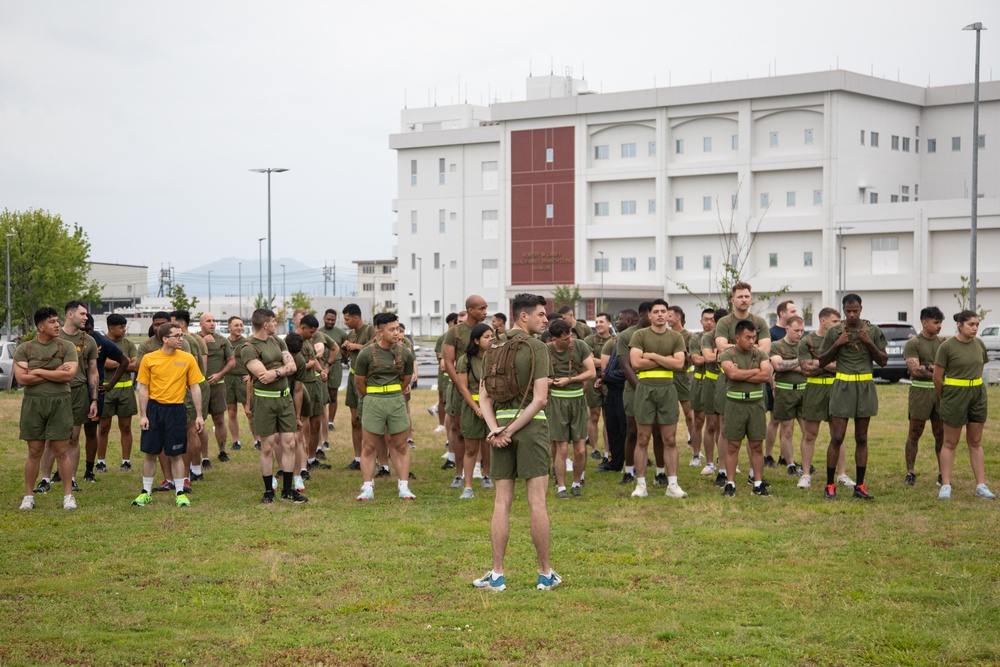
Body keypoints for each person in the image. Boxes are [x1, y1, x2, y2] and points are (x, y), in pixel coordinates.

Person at [474, 293, 559, 592]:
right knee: (537, 502)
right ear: (523, 316)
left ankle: (497, 574)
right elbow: (539, 400)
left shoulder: (492, 346)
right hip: (530, 428)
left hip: (499, 428)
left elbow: (483, 396)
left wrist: (496, 428)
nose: (546, 319)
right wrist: (510, 429)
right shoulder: (537, 348)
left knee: (501, 502)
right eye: (540, 314)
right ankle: (545, 574)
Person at [817, 294, 887, 500]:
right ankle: (830, 485)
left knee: (861, 438)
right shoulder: (834, 331)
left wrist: (869, 343)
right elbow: (821, 361)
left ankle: (860, 485)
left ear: (861, 309)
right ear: (844, 309)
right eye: (848, 311)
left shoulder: (872, 331)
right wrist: (837, 344)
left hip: (864, 386)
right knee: (837, 437)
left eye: (855, 311)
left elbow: (883, 361)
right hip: (843, 386)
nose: (852, 314)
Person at [131, 322, 205, 508]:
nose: (182, 339)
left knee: (176, 454)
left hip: (177, 410)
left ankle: (180, 493)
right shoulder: (149, 359)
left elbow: (195, 387)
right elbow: (144, 389)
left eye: (182, 335)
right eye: (177, 336)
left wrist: (199, 414)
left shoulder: (187, 358)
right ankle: (145, 492)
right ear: (165, 339)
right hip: (155, 410)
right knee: (150, 453)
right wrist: (143, 415)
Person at [16, 307, 80, 511]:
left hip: (60, 401)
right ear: (40, 326)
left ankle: (68, 495)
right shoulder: (25, 349)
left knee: (62, 450)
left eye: (57, 321)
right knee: (34, 451)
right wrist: (55, 370)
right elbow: (22, 379)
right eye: (52, 321)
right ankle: (28, 496)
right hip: (33, 404)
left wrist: (39, 370)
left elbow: (68, 376)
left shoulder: (67, 347)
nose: (57, 324)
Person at [242, 308, 306, 503]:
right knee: (268, 447)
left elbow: (292, 366)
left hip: (284, 399)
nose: (275, 324)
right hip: (264, 401)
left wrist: (277, 372)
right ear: (265, 324)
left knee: (290, 442)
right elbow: (263, 376)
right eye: (273, 321)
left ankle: (287, 490)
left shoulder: (278, 341)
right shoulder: (248, 348)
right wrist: (283, 368)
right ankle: (269, 491)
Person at [353, 312, 416, 501]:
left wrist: (393, 393)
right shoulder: (366, 353)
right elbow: (359, 382)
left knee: (401, 445)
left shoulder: (405, 352)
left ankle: (404, 487)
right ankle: (367, 487)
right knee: (369, 446)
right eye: (392, 329)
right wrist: (373, 396)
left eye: (397, 329)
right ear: (379, 331)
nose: (396, 333)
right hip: (373, 400)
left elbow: (406, 379)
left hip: (396, 400)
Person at [628, 299, 687, 499]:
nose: (660, 314)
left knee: (669, 439)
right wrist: (666, 360)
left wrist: (652, 356)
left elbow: (679, 364)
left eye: (664, 311)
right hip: (645, 389)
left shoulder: (676, 337)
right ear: (649, 315)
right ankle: (641, 485)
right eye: (656, 311)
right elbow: (636, 362)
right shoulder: (639, 335)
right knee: (642, 438)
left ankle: (672, 484)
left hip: (667, 390)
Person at [933, 310, 995, 500]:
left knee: (975, 442)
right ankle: (945, 485)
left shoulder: (979, 344)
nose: (975, 328)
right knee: (950, 442)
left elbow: (979, 368)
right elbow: (937, 377)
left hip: (976, 394)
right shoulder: (947, 347)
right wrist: (948, 397)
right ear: (960, 325)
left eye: (977, 324)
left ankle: (981, 486)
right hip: (954, 396)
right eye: (971, 324)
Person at [714, 283, 771, 485]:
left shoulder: (759, 322)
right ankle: (723, 471)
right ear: (732, 300)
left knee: (754, 432)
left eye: (747, 296)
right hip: (727, 382)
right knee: (725, 426)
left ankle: (752, 475)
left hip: (754, 389)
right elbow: (721, 347)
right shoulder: (724, 321)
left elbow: (765, 347)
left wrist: (740, 353)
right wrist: (743, 349)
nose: (744, 299)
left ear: (751, 298)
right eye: (740, 296)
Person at [796, 307, 852, 490]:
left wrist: (818, 361)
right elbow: (805, 369)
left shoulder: (841, 340)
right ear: (823, 321)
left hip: (837, 388)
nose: (839, 325)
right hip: (814, 389)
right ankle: (805, 474)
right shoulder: (808, 340)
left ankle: (842, 474)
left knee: (838, 434)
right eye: (835, 321)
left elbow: (844, 366)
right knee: (810, 434)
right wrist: (828, 363)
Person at [719, 320, 773, 497]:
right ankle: (730, 484)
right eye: (747, 337)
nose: (751, 341)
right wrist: (752, 372)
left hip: (756, 405)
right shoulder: (727, 354)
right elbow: (731, 374)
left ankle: (757, 483)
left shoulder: (760, 354)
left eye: (754, 337)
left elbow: (766, 375)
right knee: (733, 445)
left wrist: (741, 374)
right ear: (737, 337)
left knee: (757, 445)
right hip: (735, 405)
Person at [547, 318, 596, 499]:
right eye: (565, 339)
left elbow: (591, 372)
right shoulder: (546, 351)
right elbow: (538, 377)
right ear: (554, 340)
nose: (569, 341)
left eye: (570, 336)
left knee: (581, 449)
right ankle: (561, 487)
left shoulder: (580, 346)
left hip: (578, 401)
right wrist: (551, 381)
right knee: (561, 449)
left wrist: (570, 380)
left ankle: (576, 483)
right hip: (557, 402)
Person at [443, 295, 489, 489]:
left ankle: (485, 473)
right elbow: (449, 362)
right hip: (460, 387)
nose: (485, 312)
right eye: (482, 308)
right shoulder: (455, 332)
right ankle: (459, 474)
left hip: (483, 389)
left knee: (486, 434)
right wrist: (461, 386)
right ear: (470, 310)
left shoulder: (487, 332)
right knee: (461, 431)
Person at [903, 307, 945, 486]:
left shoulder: (943, 343)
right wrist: (936, 370)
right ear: (924, 322)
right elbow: (915, 370)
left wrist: (928, 368)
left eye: (940, 322)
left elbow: (947, 369)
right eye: (936, 322)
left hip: (940, 393)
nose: (939, 326)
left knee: (941, 433)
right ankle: (910, 472)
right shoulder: (914, 343)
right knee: (915, 432)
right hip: (920, 394)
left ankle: (944, 473)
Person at [453, 322, 495, 498]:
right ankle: (468, 486)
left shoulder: (495, 357)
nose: (491, 340)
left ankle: (487, 475)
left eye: (492, 336)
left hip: (492, 408)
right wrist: (477, 408)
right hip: (473, 408)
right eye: (486, 337)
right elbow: (463, 388)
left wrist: (488, 407)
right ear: (476, 340)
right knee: (470, 448)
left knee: (489, 445)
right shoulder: (465, 360)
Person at [617, 302, 654, 486]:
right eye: (652, 313)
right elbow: (625, 366)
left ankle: (660, 472)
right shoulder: (626, 336)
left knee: (657, 431)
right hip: (634, 388)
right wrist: (640, 389)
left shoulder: (660, 334)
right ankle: (629, 469)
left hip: (656, 386)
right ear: (642, 316)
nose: (656, 316)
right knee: (632, 431)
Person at [171, 310, 210, 485]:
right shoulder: (191, 339)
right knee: (192, 429)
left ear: (181, 324)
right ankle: (194, 468)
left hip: (191, 387)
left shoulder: (189, 341)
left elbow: (194, 367)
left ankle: (194, 469)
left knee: (192, 429)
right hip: (191, 386)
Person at [97, 313, 139, 472]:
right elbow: (103, 364)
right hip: (105, 390)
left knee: (126, 427)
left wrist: (120, 363)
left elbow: (135, 366)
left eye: (124, 326)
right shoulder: (101, 343)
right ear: (111, 328)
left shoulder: (128, 344)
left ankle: (126, 461)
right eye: (121, 327)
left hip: (126, 390)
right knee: (103, 427)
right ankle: (101, 461)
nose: (124, 330)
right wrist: (123, 361)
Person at [595, 310, 632, 474]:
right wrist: (603, 377)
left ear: (630, 321)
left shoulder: (633, 339)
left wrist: (609, 375)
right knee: (613, 428)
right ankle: (615, 462)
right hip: (611, 389)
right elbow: (612, 364)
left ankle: (632, 465)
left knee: (626, 429)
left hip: (624, 390)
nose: (617, 322)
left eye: (620, 319)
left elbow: (630, 370)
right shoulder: (618, 340)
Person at [769, 315, 807, 476]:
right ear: (787, 329)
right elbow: (778, 365)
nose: (799, 334)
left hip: (804, 391)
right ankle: (790, 463)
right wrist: (800, 362)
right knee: (787, 430)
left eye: (802, 331)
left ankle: (806, 464)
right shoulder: (776, 346)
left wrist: (790, 364)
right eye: (796, 330)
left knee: (808, 430)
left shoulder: (805, 345)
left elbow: (811, 367)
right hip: (784, 391)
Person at [341, 303, 376, 471]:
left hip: (366, 379)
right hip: (352, 376)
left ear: (356, 318)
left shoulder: (370, 330)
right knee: (354, 421)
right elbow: (348, 356)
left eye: (347, 319)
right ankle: (357, 458)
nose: (345, 322)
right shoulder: (351, 333)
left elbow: (376, 347)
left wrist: (355, 346)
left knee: (368, 421)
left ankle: (373, 457)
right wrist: (345, 349)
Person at [197, 312, 236, 463]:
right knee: (198, 421)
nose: (212, 323)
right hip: (199, 387)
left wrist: (220, 375)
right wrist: (202, 343)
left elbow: (232, 362)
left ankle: (222, 451)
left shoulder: (222, 341)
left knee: (219, 419)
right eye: (208, 321)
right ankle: (204, 456)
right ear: (201, 324)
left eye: (214, 320)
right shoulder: (194, 340)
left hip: (218, 386)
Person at [764, 300, 798, 467]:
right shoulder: (772, 334)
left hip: (792, 384)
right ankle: (768, 455)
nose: (795, 314)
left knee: (788, 424)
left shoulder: (797, 334)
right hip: (775, 383)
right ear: (782, 314)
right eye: (792, 311)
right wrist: (772, 385)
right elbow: (771, 363)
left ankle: (784, 456)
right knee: (775, 420)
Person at [667, 305, 698, 467]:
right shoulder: (665, 335)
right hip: (667, 376)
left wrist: (680, 353)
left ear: (678, 317)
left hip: (683, 377)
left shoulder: (689, 337)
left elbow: (693, 359)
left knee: (690, 414)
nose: (667, 318)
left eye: (669, 315)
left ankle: (695, 449)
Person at [699, 309, 726, 480]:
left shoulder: (734, 335)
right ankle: (709, 463)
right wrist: (725, 350)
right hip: (710, 383)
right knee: (711, 425)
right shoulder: (708, 337)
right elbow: (708, 357)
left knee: (725, 426)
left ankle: (725, 461)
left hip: (728, 382)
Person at [584, 313, 613, 462]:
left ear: (609, 324)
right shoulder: (589, 340)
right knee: (594, 414)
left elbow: (614, 361)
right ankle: (595, 448)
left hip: (609, 379)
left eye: (601, 321)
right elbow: (588, 361)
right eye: (596, 322)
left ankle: (608, 450)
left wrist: (599, 361)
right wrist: (606, 361)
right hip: (593, 377)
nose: (598, 324)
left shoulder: (614, 340)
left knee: (608, 416)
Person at [688, 308, 714, 472]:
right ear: (701, 321)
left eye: (712, 319)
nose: (709, 322)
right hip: (699, 382)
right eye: (706, 319)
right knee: (698, 420)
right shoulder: (695, 339)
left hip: (715, 382)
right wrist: (713, 356)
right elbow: (697, 360)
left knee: (717, 423)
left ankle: (718, 458)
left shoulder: (718, 338)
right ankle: (696, 455)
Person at [321, 308, 348, 433]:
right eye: (328, 319)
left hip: (336, 365)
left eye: (333, 320)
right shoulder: (318, 332)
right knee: (322, 395)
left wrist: (344, 358)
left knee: (333, 395)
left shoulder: (341, 333)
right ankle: (323, 420)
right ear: (324, 318)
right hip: (321, 365)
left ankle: (330, 422)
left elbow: (345, 349)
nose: (330, 322)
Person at [224, 316, 250, 450]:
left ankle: (258, 440)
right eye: (236, 325)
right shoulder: (224, 342)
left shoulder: (247, 342)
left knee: (249, 410)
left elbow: (257, 360)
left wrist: (250, 375)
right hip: (228, 380)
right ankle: (236, 441)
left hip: (243, 379)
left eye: (241, 325)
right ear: (229, 327)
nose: (239, 328)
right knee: (231, 411)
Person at [432, 312, 458, 434]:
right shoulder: (443, 338)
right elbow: (440, 358)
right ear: (451, 323)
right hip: (444, 375)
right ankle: (441, 424)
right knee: (442, 399)